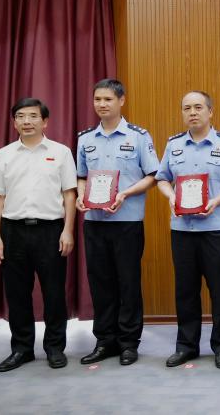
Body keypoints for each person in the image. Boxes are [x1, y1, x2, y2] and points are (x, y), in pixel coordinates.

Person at [0, 97, 77, 372]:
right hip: (13, 231)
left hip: (51, 230)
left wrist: (68, 230)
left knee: (54, 293)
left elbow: (69, 194)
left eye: (33, 116)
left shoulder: (61, 152)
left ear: (45, 121)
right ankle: (21, 349)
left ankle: (55, 348)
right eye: (21, 116)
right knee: (17, 294)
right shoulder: (3, 155)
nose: (27, 121)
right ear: (14, 122)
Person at [156, 91, 220, 369]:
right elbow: (162, 178)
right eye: (187, 108)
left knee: (219, 290)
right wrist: (171, 196)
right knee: (185, 290)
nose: (192, 112)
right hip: (182, 229)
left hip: (215, 229)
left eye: (198, 107)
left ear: (210, 112)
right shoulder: (174, 145)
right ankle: (186, 346)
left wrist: (216, 201)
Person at [75, 79, 159, 367]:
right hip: (95, 221)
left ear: (121, 101)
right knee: (100, 283)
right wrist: (80, 195)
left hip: (127, 222)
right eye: (97, 99)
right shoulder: (85, 139)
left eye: (108, 99)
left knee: (128, 283)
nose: (102, 104)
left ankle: (128, 343)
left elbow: (152, 176)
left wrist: (125, 193)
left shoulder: (138, 137)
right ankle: (104, 341)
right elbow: (81, 176)